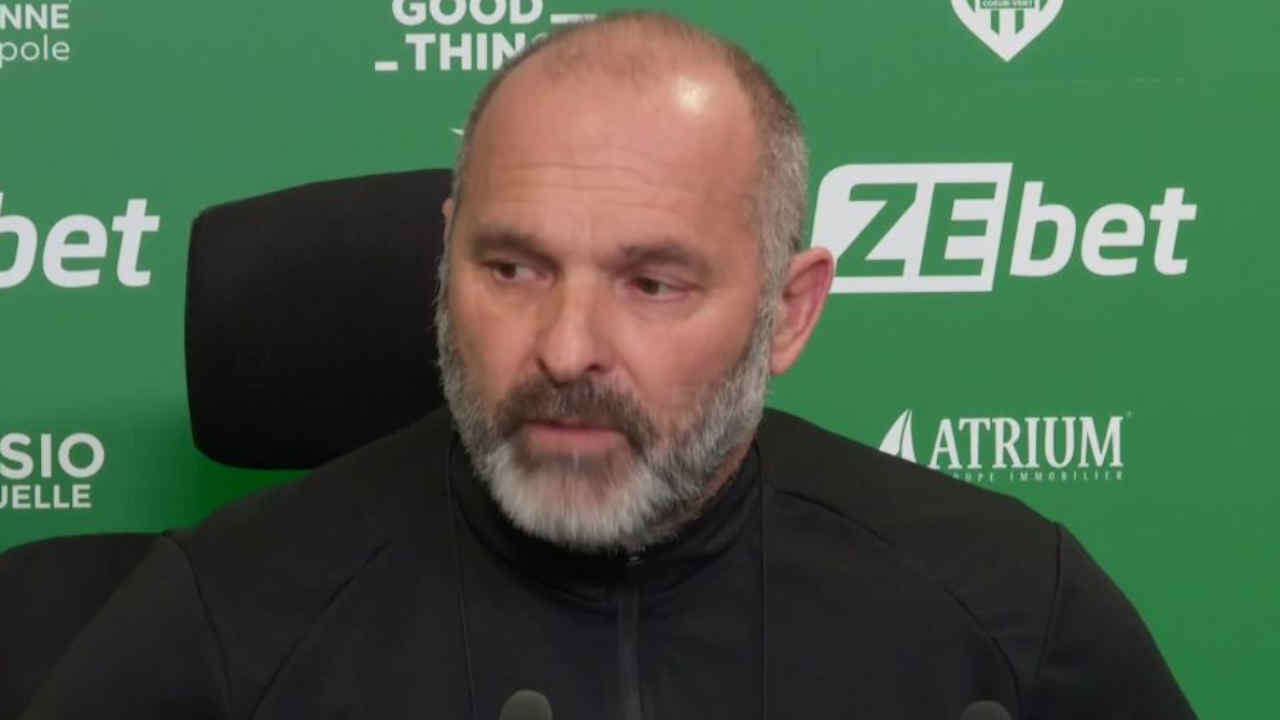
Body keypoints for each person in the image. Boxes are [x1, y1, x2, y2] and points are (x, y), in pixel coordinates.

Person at [21, 11, 1194, 719]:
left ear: (786, 312)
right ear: (445, 264)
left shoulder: (1008, 613)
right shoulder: (225, 619)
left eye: (652, 284)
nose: (567, 346)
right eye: (513, 268)